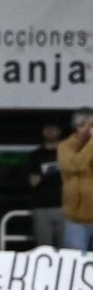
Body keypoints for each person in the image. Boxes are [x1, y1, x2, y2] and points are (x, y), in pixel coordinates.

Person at [58, 108, 93, 251]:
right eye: (89, 125)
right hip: (75, 221)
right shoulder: (64, 146)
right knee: (76, 264)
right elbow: (75, 166)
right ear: (78, 126)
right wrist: (91, 144)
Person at [27, 121, 65, 248]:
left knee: (67, 252)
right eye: (47, 128)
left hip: (66, 208)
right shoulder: (35, 155)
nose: (50, 131)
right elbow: (33, 181)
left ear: (59, 131)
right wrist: (57, 168)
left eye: (53, 128)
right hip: (42, 208)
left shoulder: (69, 153)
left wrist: (44, 172)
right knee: (44, 251)